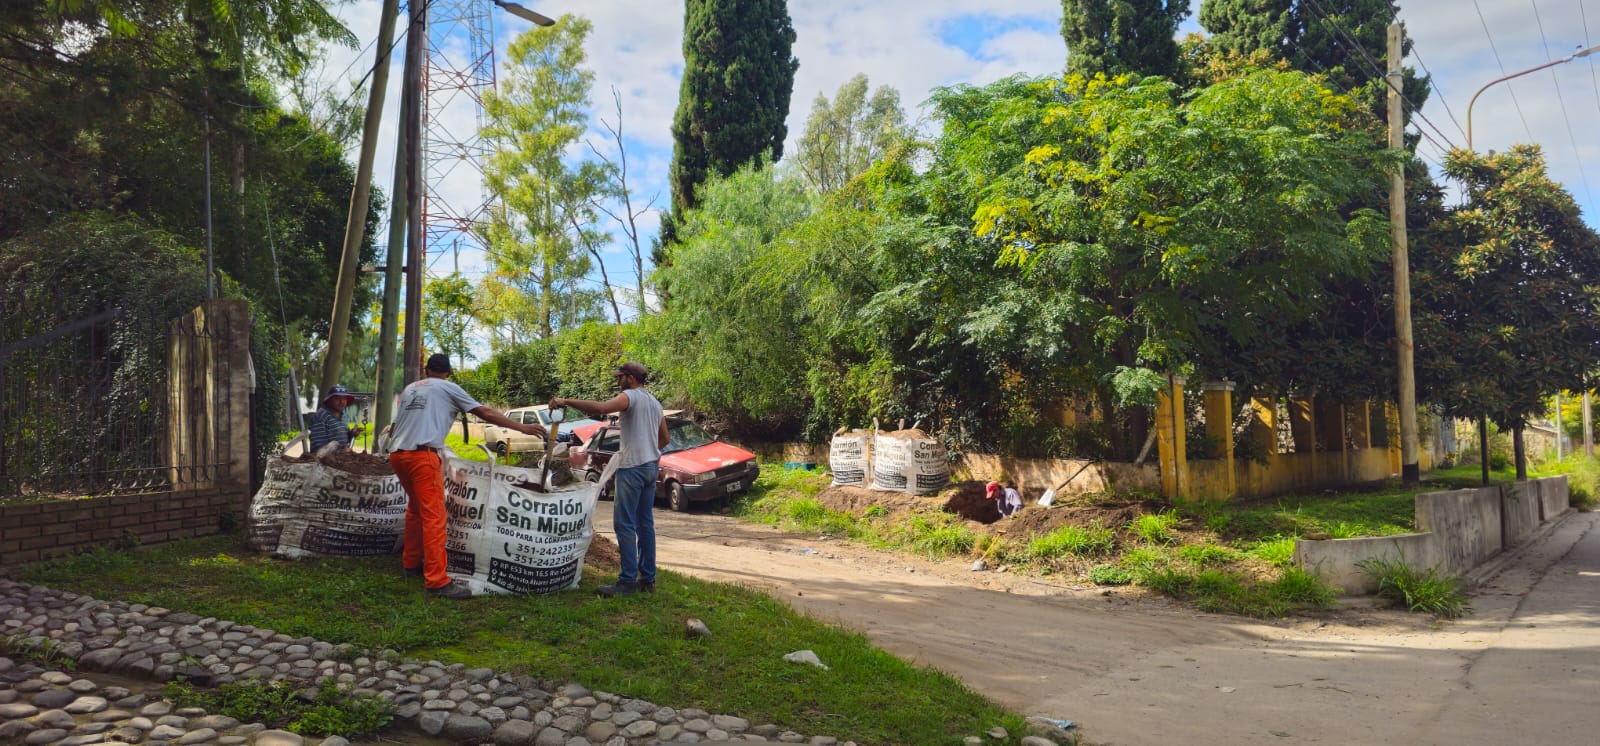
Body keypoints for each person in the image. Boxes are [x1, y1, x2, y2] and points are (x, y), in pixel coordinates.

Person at [389, 353, 546, 600]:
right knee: (434, 517)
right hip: (422, 456)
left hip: (398, 454)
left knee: (416, 510)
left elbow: (398, 425)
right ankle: (437, 581)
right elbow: (484, 412)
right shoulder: (448, 387)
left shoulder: (410, 389)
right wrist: (522, 428)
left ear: (427, 370)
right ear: (448, 372)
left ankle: (410, 563)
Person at [551, 361, 668, 598]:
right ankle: (647, 579)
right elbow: (664, 438)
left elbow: (602, 408)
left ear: (631, 378)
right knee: (645, 524)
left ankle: (626, 583)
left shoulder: (629, 396)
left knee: (624, 524)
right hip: (650, 466)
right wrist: (646, 450)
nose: (618, 381)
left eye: (621, 377)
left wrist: (565, 401)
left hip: (632, 468)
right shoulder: (655, 403)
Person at [307, 384, 361, 454]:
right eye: (337, 398)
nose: (342, 402)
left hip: (341, 460)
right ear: (329, 400)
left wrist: (352, 434)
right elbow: (318, 449)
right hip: (323, 463)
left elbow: (342, 439)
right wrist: (340, 452)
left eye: (344, 398)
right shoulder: (320, 417)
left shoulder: (343, 416)